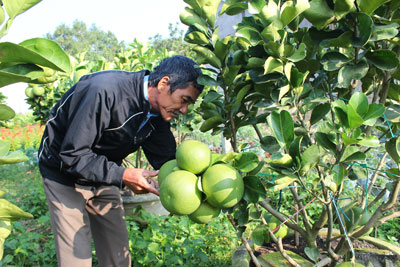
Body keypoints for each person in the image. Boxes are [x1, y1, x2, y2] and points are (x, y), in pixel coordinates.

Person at [37, 55, 204, 267]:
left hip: (103, 174)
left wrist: (202, 182)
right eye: (184, 99)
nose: (184, 110)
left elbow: (168, 161)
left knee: (118, 256)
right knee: (76, 258)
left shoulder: (158, 114)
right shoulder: (102, 91)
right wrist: (123, 175)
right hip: (63, 174)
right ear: (164, 83)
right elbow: (72, 155)